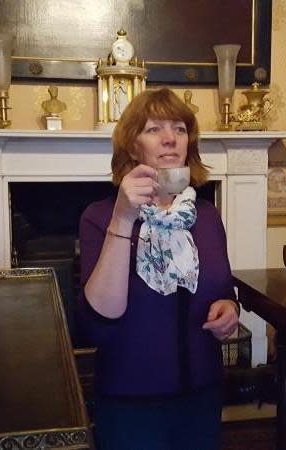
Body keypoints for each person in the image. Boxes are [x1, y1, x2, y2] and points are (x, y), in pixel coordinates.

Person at [77, 88, 239, 450]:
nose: (169, 139)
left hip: (202, 394)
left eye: (179, 129)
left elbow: (223, 290)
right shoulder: (99, 216)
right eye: (154, 129)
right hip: (130, 400)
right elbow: (97, 322)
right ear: (133, 147)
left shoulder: (207, 216)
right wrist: (123, 216)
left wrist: (230, 309)